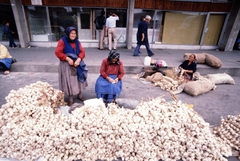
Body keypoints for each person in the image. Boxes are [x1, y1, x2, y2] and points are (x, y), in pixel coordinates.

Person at [55, 26, 88, 106]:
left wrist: (79, 59)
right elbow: (58, 52)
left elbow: (82, 52)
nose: (73, 35)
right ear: (68, 33)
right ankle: (70, 98)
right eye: (71, 33)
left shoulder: (77, 42)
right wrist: (67, 59)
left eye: (74, 33)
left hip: (77, 63)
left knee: (78, 79)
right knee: (70, 81)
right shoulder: (62, 41)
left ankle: (79, 95)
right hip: (67, 64)